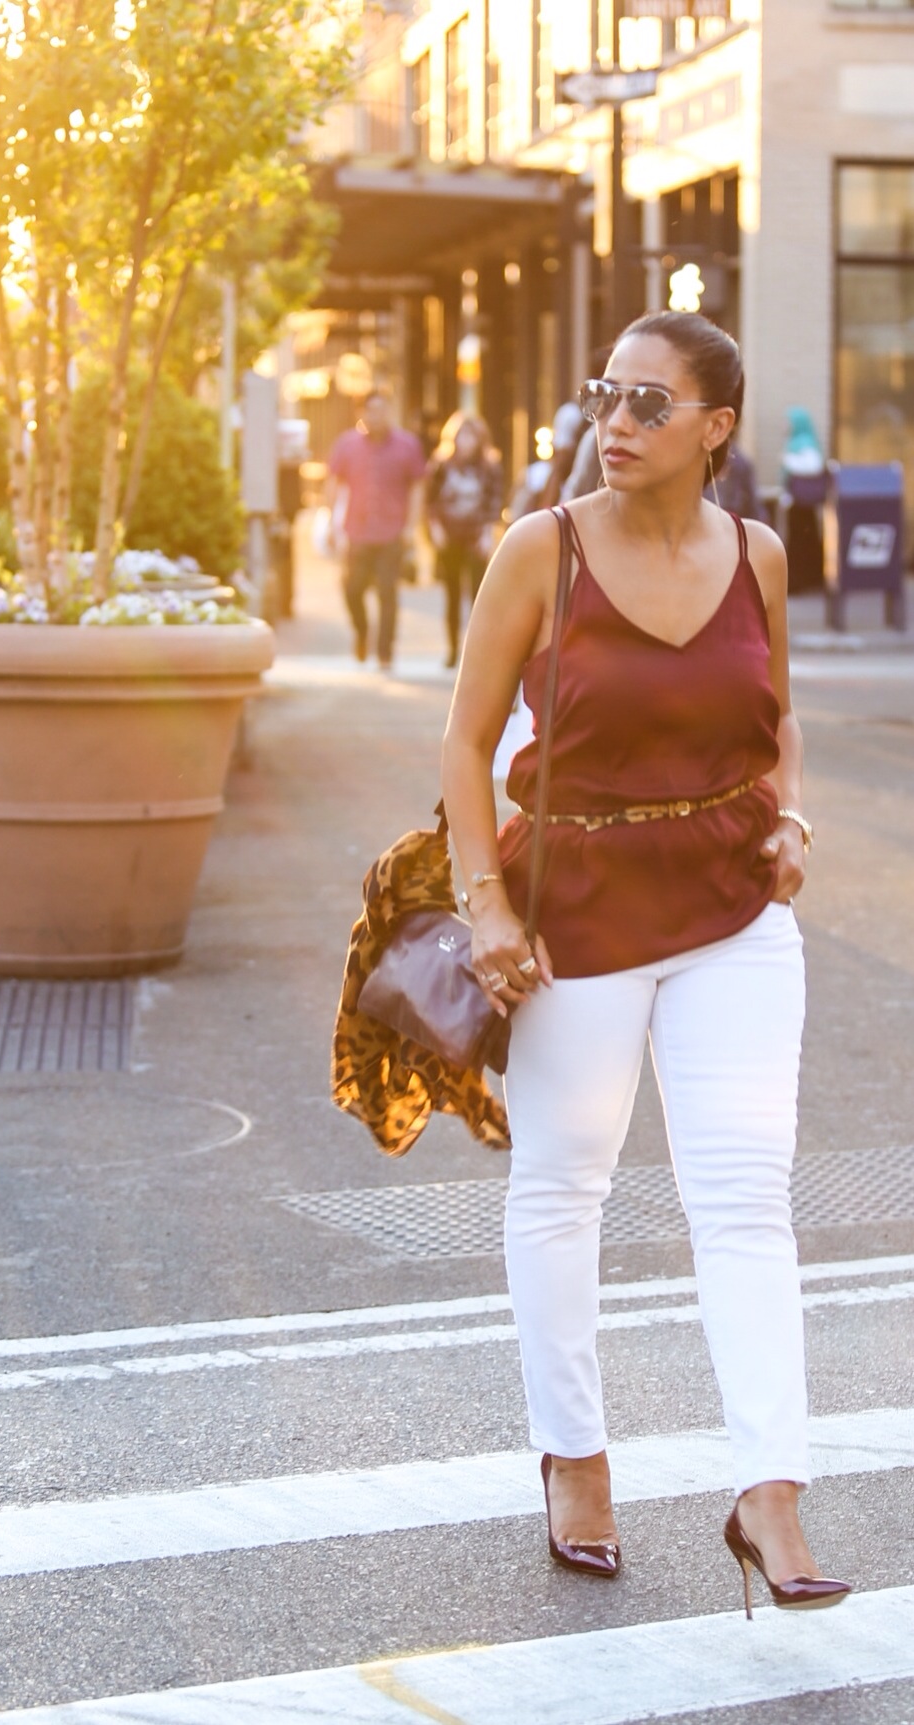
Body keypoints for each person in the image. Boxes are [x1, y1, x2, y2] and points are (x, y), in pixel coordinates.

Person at [441, 311, 850, 1614]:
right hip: (575, 913)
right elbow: (460, 746)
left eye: (645, 403)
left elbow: (771, 719)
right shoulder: (538, 552)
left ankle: (767, 1494)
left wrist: (786, 816)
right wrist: (484, 906)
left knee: (741, 1200)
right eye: (603, 396)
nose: (611, 422)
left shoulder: (761, 556)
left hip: (734, 911)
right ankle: (573, 1454)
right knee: (565, 1189)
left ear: (714, 428)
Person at [325, 389, 426, 669]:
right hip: (356, 531)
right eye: (371, 410)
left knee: (387, 593)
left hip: (391, 532)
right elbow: (333, 482)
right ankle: (361, 632)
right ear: (362, 413)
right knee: (352, 588)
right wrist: (331, 522)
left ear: (389, 411)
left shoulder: (407, 445)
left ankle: (385, 652)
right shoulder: (346, 444)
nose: (376, 416)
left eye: (382, 410)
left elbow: (417, 486)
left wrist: (411, 527)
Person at [425, 413, 504, 668]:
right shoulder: (441, 465)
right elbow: (430, 500)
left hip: (476, 538)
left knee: (478, 597)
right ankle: (451, 649)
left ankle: (475, 652)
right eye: (461, 436)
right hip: (449, 538)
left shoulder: (490, 467)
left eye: (471, 436)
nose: (466, 442)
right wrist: (435, 529)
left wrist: (487, 534)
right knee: (452, 595)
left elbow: (494, 503)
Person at [781, 407, 827, 594]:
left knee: (802, 542)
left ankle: (803, 581)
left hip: (803, 505)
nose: (784, 426)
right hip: (796, 503)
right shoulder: (794, 443)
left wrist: (788, 460)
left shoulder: (804, 443)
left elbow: (813, 466)